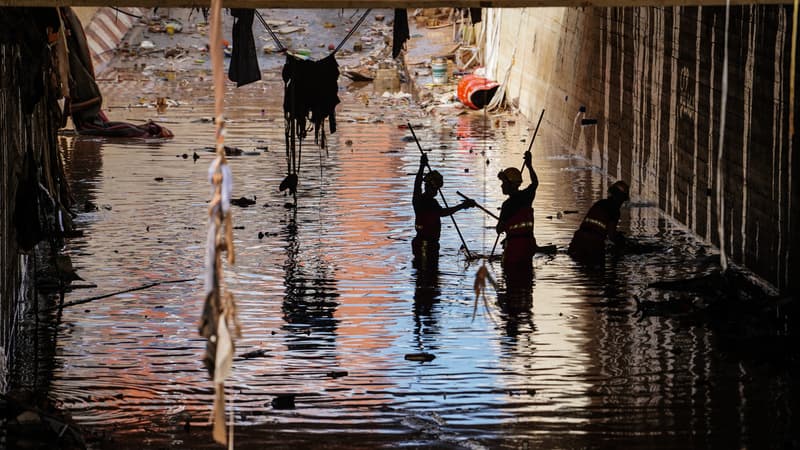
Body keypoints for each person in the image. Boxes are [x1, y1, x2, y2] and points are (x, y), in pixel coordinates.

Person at [412, 153, 475, 267]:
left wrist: (422, 166)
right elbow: (443, 213)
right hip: (426, 246)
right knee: (427, 274)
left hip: (426, 244)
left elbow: (417, 185)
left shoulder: (418, 200)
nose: (437, 191)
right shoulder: (426, 202)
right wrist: (462, 206)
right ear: (431, 187)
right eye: (436, 188)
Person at [496, 150, 538, 280]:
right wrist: (529, 165)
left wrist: (502, 226)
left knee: (512, 282)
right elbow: (535, 183)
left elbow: (499, 229)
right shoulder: (527, 196)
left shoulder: (507, 205)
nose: (502, 186)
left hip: (514, 250)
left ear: (511, 184)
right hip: (529, 247)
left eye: (504, 183)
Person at [568, 180, 629, 264]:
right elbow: (611, 236)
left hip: (578, 239)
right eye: (623, 199)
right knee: (598, 274)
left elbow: (595, 225)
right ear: (620, 198)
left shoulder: (600, 203)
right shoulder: (614, 210)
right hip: (593, 244)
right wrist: (622, 242)